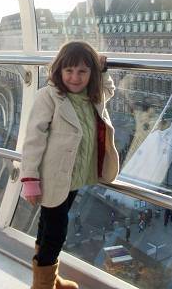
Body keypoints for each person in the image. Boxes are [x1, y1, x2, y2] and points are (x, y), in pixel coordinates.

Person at [20, 41, 119, 289]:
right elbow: (34, 137)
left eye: (83, 71)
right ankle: (43, 284)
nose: (75, 77)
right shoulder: (49, 96)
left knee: (47, 225)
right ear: (59, 71)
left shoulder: (92, 96)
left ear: (91, 74)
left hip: (75, 176)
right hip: (54, 175)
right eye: (69, 70)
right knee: (56, 232)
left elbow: (108, 89)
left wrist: (103, 68)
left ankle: (47, 279)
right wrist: (29, 177)